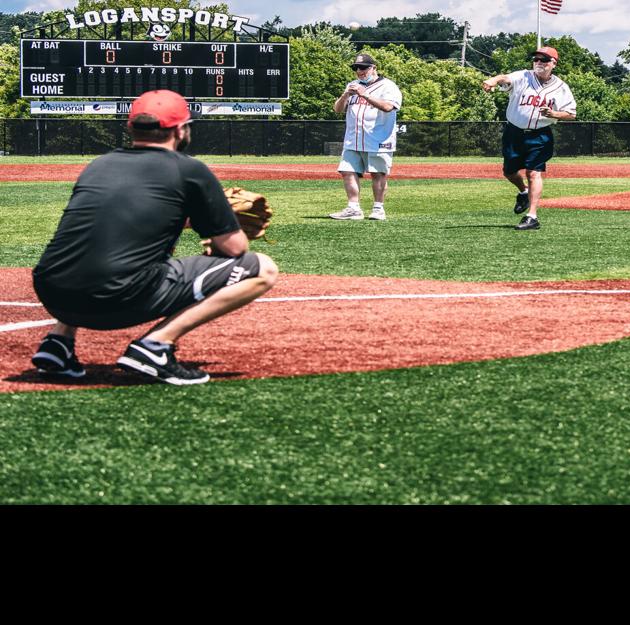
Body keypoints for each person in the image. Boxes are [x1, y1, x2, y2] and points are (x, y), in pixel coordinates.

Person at [28, 90, 278, 386]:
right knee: (261, 268)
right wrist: (211, 221)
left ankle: (57, 344)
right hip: (116, 299)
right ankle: (155, 346)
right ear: (180, 130)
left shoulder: (99, 165)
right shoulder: (189, 170)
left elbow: (112, 222)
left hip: (52, 293)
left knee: (93, 250)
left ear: (130, 127)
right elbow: (235, 248)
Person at [481, 46, 577, 230]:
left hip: (540, 136)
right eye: (536, 59)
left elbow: (571, 113)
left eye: (544, 60)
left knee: (533, 173)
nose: (539, 63)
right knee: (509, 172)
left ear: (553, 64)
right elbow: (505, 78)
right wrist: (493, 80)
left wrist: (554, 113)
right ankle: (523, 192)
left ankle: (532, 216)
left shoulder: (561, 87)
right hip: (513, 132)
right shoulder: (524, 76)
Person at [330, 52, 403, 221]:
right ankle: (353, 208)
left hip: (378, 138)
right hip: (353, 138)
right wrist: (346, 94)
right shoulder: (353, 85)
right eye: (356, 68)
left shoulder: (388, 86)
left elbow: (387, 107)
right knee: (347, 171)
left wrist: (365, 94)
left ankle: (378, 209)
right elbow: (338, 109)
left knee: (378, 173)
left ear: (373, 68)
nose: (360, 71)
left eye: (363, 67)